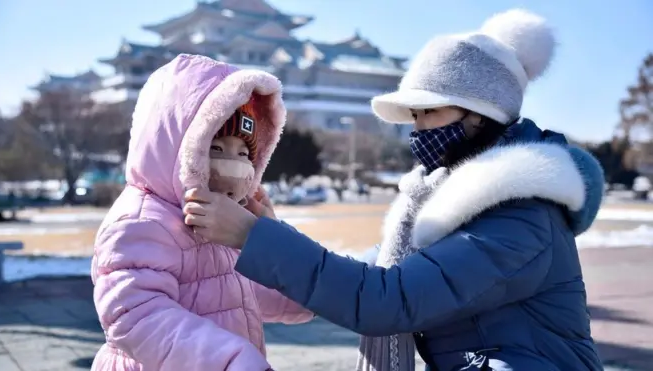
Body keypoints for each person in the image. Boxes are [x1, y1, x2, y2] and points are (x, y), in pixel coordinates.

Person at [184, 9, 605, 371]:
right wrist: (276, 234)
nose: (417, 128)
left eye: (430, 112)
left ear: (480, 114)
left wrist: (252, 237)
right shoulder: (446, 199)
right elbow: (377, 274)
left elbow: (388, 300)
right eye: (414, 115)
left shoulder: (518, 214)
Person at [91, 54, 312, 371]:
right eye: (216, 149)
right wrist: (231, 361)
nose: (234, 166)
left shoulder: (221, 217)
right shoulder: (141, 220)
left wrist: (310, 280)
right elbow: (136, 315)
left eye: (243, 153)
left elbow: (252, 289)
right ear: (180, 149)